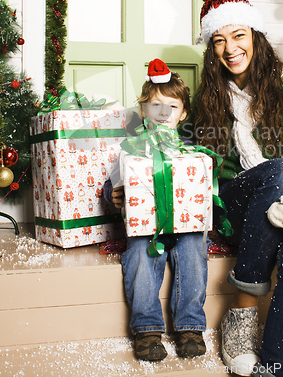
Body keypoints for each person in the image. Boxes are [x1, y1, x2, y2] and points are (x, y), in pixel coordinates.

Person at [189, 0, 283, 377]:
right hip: (238, 203)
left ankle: (277, 371)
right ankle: (242, 304)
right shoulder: (208, 97)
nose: (230, 48)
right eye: (219, 40)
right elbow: (206, 167)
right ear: (211, 48)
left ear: (255, 35)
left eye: (238, 35)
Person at [104, 58, 208, 362]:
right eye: (155, 106)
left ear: (183, 113)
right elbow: (112, 183)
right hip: (145, 228)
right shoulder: (131, 148)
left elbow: (202, 185)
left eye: (171, 107)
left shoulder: (191, 151)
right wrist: (116, 195)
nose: (163, 114)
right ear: (144, 111)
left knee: (193, 252)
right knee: (139, 255)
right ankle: (147, 329)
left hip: (185, 226)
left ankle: (189, 327)